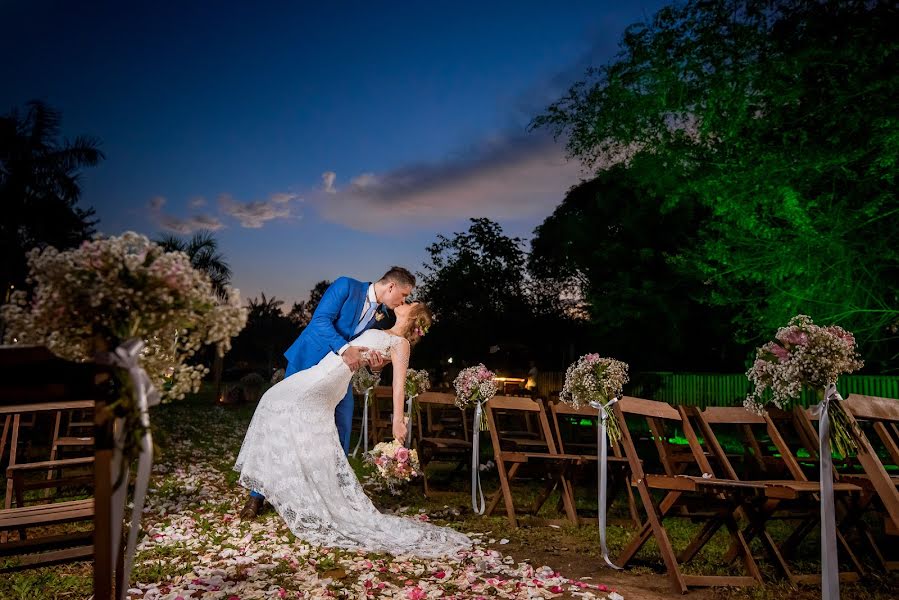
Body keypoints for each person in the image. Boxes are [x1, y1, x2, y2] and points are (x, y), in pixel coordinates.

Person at [233, 302, 472, 558]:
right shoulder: (382, 330)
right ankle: (294, 487)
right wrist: (375, 364)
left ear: (415, 317)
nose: (404, 301)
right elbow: (368, 359)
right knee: (281, 408)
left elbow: (398, 387)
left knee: (274, 400)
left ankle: (297, 492)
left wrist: (397, 421)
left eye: (410, 302)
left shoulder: (401, 344)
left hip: (327, 380)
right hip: (322, 370)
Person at [239, 267, 414, 519]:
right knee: (282, 424)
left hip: (338, 378)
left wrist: (375, 366)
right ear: (391, 287)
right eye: (404, 294)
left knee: (342, 430)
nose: (403, 301)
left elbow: (371, 352)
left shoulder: (384, 317)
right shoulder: (346, 286)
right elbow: (320, 320)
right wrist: (345, 349)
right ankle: (256, 495)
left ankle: (333, 495)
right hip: (307, 365)